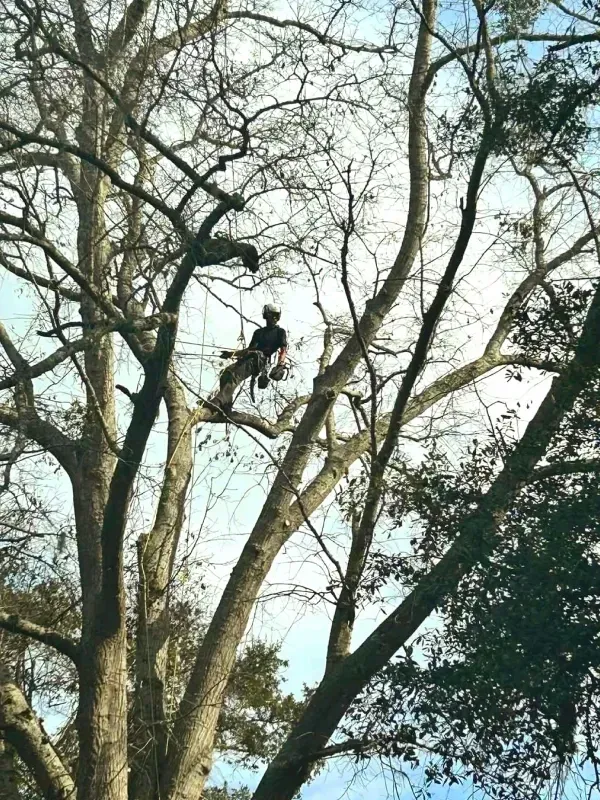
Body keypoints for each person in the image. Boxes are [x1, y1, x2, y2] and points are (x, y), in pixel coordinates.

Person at [208, 304, 287, 413]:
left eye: (275, 316)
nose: (273, 319)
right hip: (249, 357)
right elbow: (248, 350)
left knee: (234, 376)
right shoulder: (258, 332)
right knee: (225, 373)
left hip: (259, 361)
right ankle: (226, 406)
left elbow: (283, 349)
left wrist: (280, 364)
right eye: (271, 315)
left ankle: (218, 401)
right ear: (266, 316)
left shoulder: (280, 332)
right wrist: (230, 354)